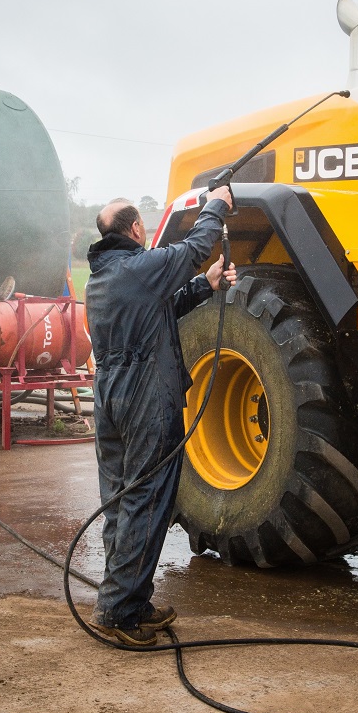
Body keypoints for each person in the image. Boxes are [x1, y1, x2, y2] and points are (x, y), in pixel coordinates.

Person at [85, 190, 236, 646]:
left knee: (120, 499)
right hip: (144, 395)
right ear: (136, 230)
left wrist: (206, 285)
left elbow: (159, 311)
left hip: (109, 396)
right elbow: (193, 248)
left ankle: (129, 599)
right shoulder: (139, 267)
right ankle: (119, 613)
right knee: (147, 499)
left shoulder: (105, 277)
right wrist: (218, 205)